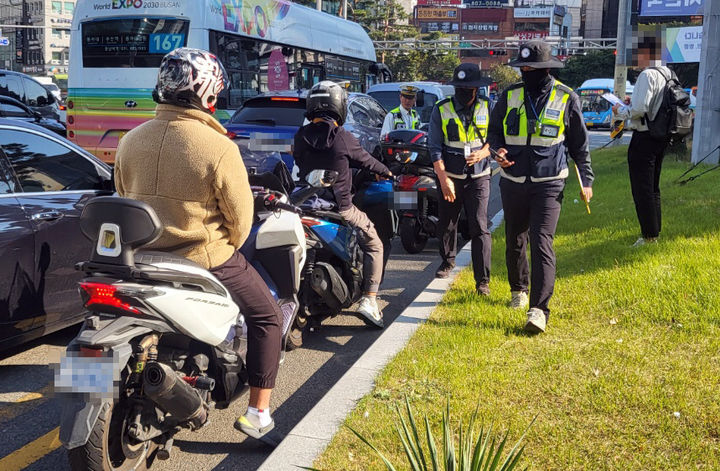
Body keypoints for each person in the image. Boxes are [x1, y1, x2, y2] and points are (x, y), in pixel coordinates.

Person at [114, 48, 281, 440]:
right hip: (202, 260)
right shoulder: (218, 147)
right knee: (268, 317)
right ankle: (257, 413)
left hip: (139, 260)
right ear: (207, 95)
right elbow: (240, 223)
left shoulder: (130, 140)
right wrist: (225, 246)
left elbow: (122, 195)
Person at [487, 40, 594, 334]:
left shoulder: (566, 97)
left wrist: (586, 179)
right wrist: (497, 151)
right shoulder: (509, 96)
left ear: (546, 68)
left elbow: (579, 145)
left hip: (549, 183)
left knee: (541, 241)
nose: (525, 73)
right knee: (514, 239)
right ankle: (518, 290)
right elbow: (493, 133)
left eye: (530, 68)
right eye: (522, 68)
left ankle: (539, 310)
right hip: (512, 181)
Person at [294, 81, 393, 328]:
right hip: (341, 209)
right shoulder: (343, 137)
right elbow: (368, 161)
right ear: (340, 106)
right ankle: (370, 300)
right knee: (374, 243)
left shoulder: (300, 136)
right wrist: (388, 172)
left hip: (304, 205)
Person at [428, 63, 493, 296]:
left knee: (479, 226)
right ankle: (447, 262)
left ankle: (482, 281)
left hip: (479, 177)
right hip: (451, 176)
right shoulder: (441, 108)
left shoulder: (488, 106)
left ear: (476, 89)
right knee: (447, 223)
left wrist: (484, 152)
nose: (465, 91)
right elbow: (434, 147)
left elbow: (496, 139)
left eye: (469, 87)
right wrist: (443, 179)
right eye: (461, 87)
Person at [611, 34, 672, 247]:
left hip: (644, 137)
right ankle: (654, 231)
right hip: (661, 136)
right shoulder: (668, 73)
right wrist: (632, 103)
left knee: (642, 188)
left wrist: (620, 109)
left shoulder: (647, 75)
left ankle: (648, 236)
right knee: (653, 187)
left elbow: (638, 110)